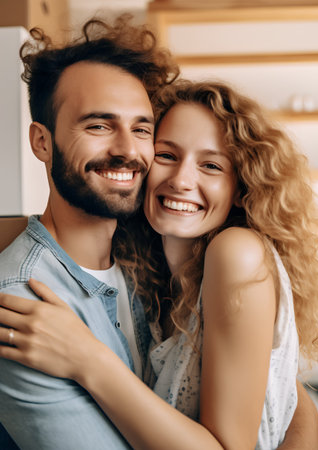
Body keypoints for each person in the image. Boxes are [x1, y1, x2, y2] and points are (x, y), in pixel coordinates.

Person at [0, 78, 318, 448]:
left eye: (211, 165)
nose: (181, 180)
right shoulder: (154, 274)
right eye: (167, 155)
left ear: (240, 189)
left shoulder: (235, 252)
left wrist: (88, 358)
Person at [0, 15, 178, 450]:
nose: (127, 150)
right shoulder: (20, 302)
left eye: (141, 129)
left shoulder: (155, 262)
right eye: (98, 125)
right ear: (42, 142)